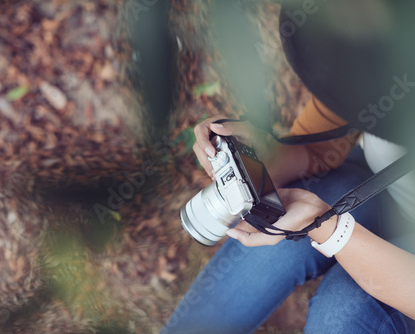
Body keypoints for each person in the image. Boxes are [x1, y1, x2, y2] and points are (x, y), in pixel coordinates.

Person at [162, 1, 415, 333]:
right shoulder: (382, 40)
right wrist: (263, 160)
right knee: (280, 233)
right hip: (386, 187)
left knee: (341, 315)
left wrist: (331, 229)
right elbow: (319, 146)